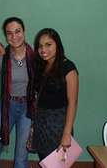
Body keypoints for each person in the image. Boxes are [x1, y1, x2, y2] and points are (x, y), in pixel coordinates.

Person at [0, 17, 35, 168]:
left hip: (27, 109)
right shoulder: (2, 57)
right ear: (5, 35)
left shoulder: (35, 57)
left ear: (24, 32)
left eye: (17, 31)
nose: (14, 36)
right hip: (6, 106)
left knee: (22, 157)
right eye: (9, 33)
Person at [32, 28, 79, 160]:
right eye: (40, 46)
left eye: (48, 44)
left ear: (57, 44)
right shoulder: (42, 66)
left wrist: (67, 133)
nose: (43, 49)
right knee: (45, 160)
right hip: (41, 124)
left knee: (58, 163)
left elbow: (73, 102)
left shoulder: (68, 68)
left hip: (58, 125)